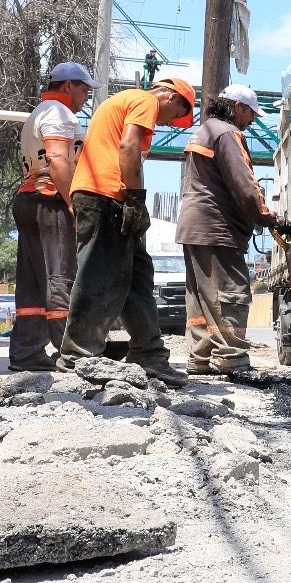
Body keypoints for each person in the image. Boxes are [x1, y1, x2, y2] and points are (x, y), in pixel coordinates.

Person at [57, 76, 196, 387]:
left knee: (137, 276)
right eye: (174, 115)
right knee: (97, 275)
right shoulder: (145, 100)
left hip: (108, 194)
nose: (168, 121)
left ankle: (149, 354)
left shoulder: (121, 104)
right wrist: (135, 199)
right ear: (171, 98)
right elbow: (128, 146)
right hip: (106, 195)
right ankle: (77, 356)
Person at [175, 84, 291, 382]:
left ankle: (200, 358)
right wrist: (270, 218)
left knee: (201, 298)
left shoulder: (204, 130)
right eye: (250, 113)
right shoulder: (227, 134)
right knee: (231, 294)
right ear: (238, 108)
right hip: (217, 227)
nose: (251, 120)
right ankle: (231, 359)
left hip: (193, 226)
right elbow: (245, 185)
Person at [9, 62, 99, 371]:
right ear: (68, 85)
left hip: (29, 199)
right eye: (85, 88)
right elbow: (59, 158)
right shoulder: (58, 113)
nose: (86, 95)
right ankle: (71, 355)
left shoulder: (40, 111)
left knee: (33, 282)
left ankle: (27, 353)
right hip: (50, 199)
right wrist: (73, 202)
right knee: (62, 276)